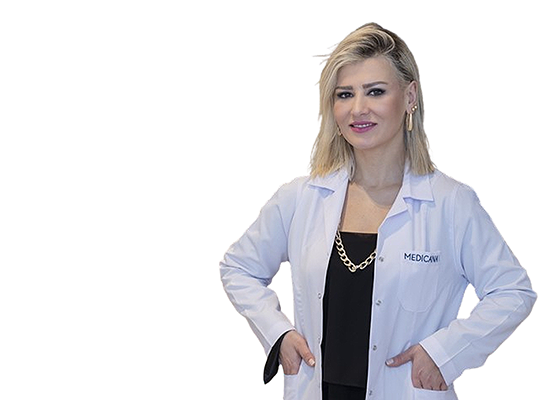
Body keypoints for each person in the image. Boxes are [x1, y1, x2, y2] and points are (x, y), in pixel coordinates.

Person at [220, 23, 536, 400]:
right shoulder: (300, 198)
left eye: (375, 91)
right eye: (345, 94)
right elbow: (238, 267)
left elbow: (512, 291)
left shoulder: (450, 204)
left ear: (410, 96)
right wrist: (278, 334)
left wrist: (445, 354)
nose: (358, 109)